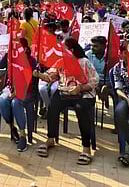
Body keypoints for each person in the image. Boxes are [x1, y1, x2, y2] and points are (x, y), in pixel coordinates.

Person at [35, 37, 98, 165]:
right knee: (52, 108)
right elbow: (51, 76)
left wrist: (80, 88)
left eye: (64, 48)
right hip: (65, 92)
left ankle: (86, 147)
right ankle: (50, 139)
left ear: (72, 50)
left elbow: (94, 80)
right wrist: (39, 75)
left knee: (82, 110)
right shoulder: (61, 61)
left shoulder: (84, 62)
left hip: (84, 95)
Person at [0, 38, 38, 152]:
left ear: (25, 49)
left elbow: (29, 80)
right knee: (3, 101)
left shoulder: (31, 61)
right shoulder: (11, 58)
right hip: (10, 88)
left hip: (27, 91)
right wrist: (7, 53)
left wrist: (17, 92)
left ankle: (22, 135)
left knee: (16, 102)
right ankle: (12, 128)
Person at [86, 36, 112, 109]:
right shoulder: (88, 54)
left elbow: (115, 76)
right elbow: (86, 73)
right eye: (91, 45)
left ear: (104, 47)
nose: (92, 48)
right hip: (94, 80)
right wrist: (94, 85)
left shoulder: (111, 56)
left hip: (108, 82)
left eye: (95, 46)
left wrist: (107, 86)